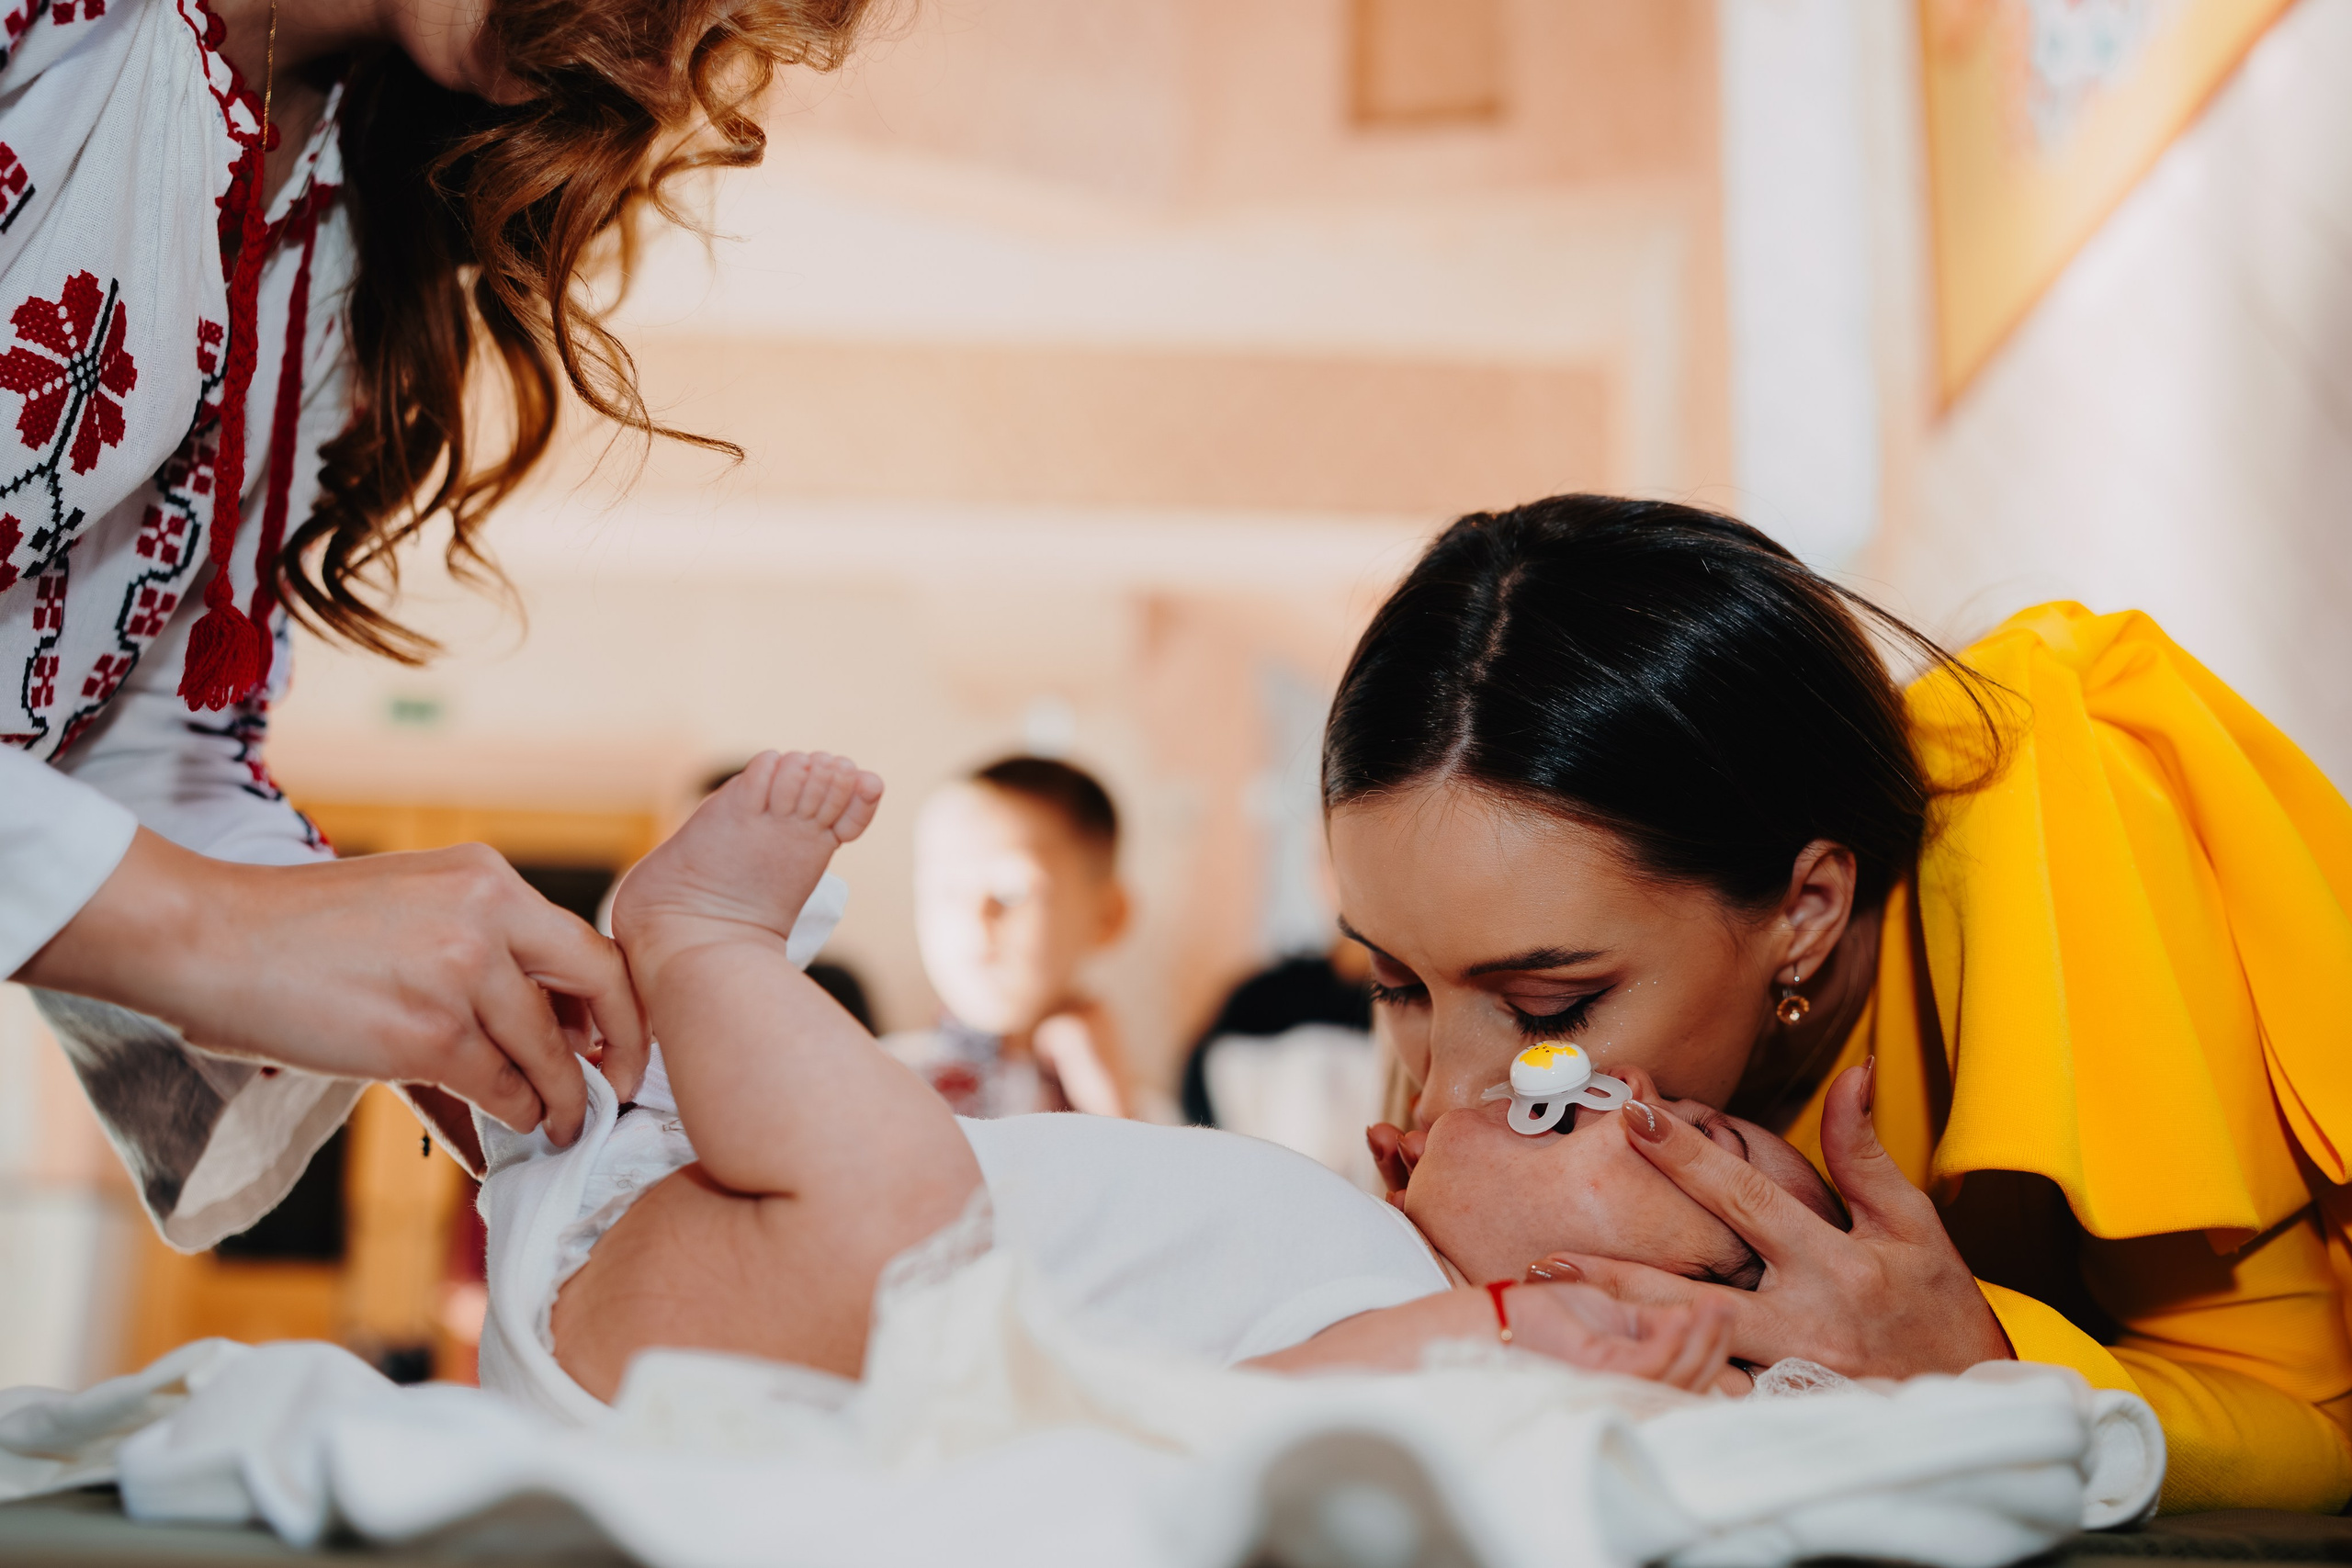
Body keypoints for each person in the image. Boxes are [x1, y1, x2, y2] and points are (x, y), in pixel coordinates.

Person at [0, 0, 867, 1247]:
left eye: (726, 26)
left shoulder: (346, 199)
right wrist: (211, 927)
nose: (670, 67)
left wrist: (464, 1022)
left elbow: (131, 733)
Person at [1322, 494, 2352, 1512]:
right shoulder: (1467, 1034)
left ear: (1808, 908)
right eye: (1395, 984)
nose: (1446, 1096)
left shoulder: (2050, 853)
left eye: (1551, 1010)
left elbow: (2319, 1428)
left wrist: (1975, 1367)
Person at [465, 750, 1874, 1416]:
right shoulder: (1358, 1233)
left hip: (755, 1344)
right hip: (699, 1233)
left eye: (1685, 1146)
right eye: (1396, 988)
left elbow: (1260, 1412)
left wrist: (1501, 1324)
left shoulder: (1419, 1323)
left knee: (897, 1185)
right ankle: (659, 1014)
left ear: (1612, 1301)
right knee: (895, 1170)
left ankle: (702, 944)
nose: (1546, 1076)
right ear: (1396, 1154)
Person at [883, 756, 1132, 1119]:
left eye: (1012, 892)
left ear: (1108, 916)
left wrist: (1117, 1117)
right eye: (946, 891)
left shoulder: (1140, 1116)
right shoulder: (872, 1084)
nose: (975, 919)